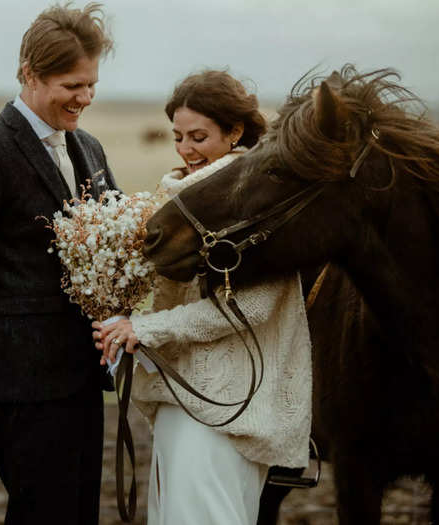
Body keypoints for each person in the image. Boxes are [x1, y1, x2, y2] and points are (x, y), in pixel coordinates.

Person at [0, 4, 117, 524]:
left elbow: (114, 251)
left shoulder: (90, 148)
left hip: (85, 378)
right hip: (24, 386)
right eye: (72, 85)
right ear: (30, 75)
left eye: (92, 83)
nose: (86, 97)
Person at [93, 70, 313, 525]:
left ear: (234, 132)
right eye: (177, 137)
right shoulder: (172, 196)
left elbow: (251, 306)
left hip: (230, 404)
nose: (185, 149)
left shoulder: (256, 198)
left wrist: (146, 328)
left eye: (198, 136)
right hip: (181, 394)